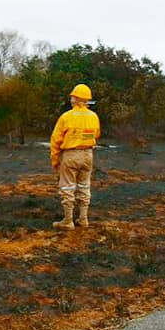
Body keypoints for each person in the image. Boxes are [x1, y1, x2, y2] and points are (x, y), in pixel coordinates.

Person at [50, 84, 101, 229]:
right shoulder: (94, 116)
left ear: (76, 99)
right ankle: (83, 219)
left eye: (72, 96)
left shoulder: (67, 117)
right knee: (84, 186)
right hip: (88, 155)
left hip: (71, 155)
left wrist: (55, 161)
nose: (71, 98)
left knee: (67, 187)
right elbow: (96, 134)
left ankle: (68, 221)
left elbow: (55, 140)